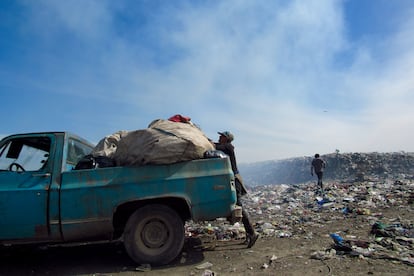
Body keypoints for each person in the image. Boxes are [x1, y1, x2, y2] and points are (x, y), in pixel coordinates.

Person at [214, 131, 259, 248]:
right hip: (233, 178)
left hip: (235, 179)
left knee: (239, 206)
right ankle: (249, 234)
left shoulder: (228, 147)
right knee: (237, 206)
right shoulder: (226, 147)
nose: (219, 137)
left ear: (226, 139)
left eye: (221, 136)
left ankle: (252, 233)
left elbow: (215, 146)